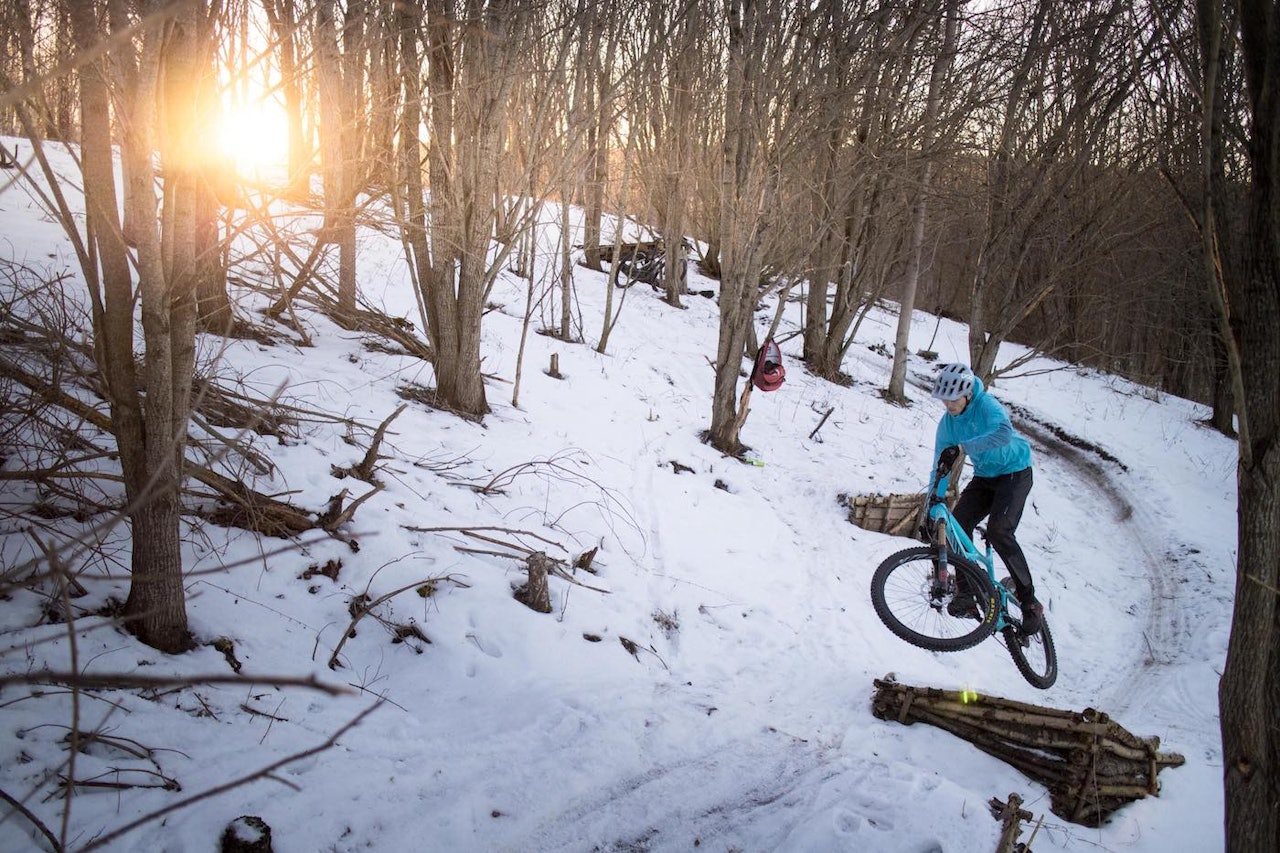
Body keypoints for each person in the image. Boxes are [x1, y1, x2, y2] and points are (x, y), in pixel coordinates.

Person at [928, 363, 1043, 635]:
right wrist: (933, 500)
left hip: (1015, 472)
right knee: (955, 527)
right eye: (945, 400)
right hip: (985, 477)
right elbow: (940, 465)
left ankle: (1029, 602)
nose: (949, 405)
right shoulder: (947, 424)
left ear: (968, 394)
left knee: (999, 530)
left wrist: (963, 447)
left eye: (954, 399)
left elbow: (1003, 434)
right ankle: (967, 594)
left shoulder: (987, 406)